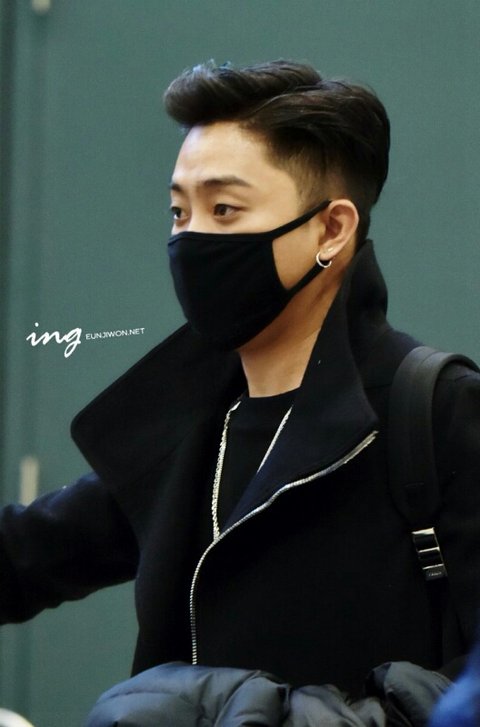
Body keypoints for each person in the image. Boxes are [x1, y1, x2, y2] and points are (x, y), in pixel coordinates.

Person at [1, 60, 480, 724]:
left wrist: (271, 715)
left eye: (224, 209)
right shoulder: (191, 423)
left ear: (332, 229)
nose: (190, 238)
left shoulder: (437, 409)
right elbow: (29, 552)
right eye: (179, 211)